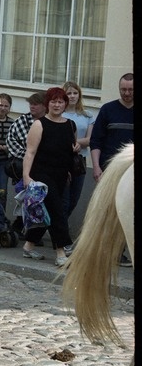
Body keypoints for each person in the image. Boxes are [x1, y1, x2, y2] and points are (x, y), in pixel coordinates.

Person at [20, 87, 78, 267]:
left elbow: (69, 150)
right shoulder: (39, 124)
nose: (57, 105)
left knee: (46, 211)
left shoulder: (70, 125)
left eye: (60, 101)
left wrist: (70, 165)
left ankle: (29, 246)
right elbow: (30, 152)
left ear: (65, 104)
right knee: (57, 211)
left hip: (61, 175)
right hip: (41, 174)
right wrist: (26, 176)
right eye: (53, 101)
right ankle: (61, 252)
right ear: (47, 104)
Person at [89, 72, 133, 267]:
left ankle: (121, 252)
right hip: (109, 170)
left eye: (131, 90)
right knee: (106, 212)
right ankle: (104, 251)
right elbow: (96, 140)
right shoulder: (108, 110)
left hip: (131, 171)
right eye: (123, 89)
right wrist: (97, 167)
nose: (127, 93)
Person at [5, 91, 46, 236]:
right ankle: (22, 228)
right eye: (30, 104)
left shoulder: (49, 121)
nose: (32, 106)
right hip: (25, 167)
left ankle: (31, 231)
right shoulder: (22, 121)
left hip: (44, 167)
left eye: (35, 104)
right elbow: (12, 142)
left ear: (44, 105)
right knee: (25, 199)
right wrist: (28, 157)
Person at [61, 81, 95, 220]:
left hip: (79, 161)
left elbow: (89, 140)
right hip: (62, 160)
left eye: (75, 93)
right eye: (69, 93)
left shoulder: (87, 115)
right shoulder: (60, 114)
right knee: (64, 199)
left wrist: (74, 143)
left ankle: (59, 225)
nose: (72, 96)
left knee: (74, 199)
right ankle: (60, 232)